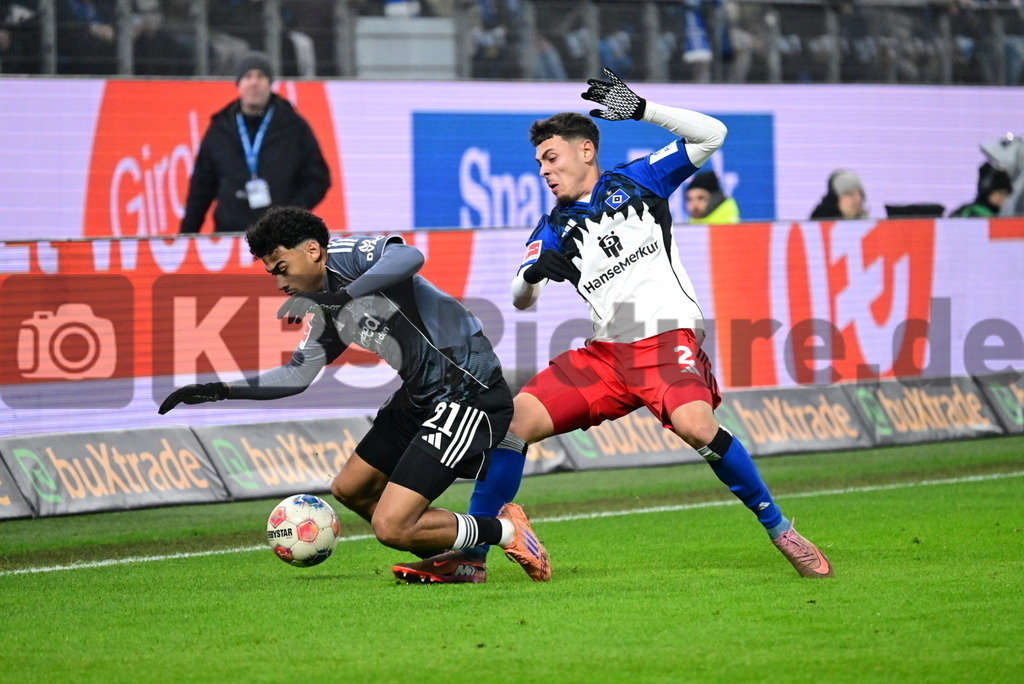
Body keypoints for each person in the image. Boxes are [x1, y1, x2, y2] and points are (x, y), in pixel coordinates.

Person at [394, 68, 834, 583]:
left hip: (665, 340)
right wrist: (531, 275)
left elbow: (712, 133)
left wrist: (644, 109)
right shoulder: (553, 226)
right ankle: (472, 557)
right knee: (511, 425)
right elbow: (521, 297)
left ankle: (781, 528)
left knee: (697, 428)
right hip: (604, 357)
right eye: (538, 163)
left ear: (586, 151)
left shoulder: (639, 180)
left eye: (551, 158)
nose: (544, 171)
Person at [158, 206, 550, 582]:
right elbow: (296, 375)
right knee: (350, 488)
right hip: (419, 396)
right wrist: (219, 390)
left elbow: (409, 255)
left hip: (464, 389)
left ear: (312, 251)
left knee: (391, 526)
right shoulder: (327, 311)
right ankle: (455, 562)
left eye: (282, 269)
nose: (280, 284)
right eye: (272, 275)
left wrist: (344, 297)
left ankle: (502, 531)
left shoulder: (345, 257)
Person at [179, 52, 330, 234]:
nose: (254, 83)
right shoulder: (221, 129)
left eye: (261, 76)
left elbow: (318, 178)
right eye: (248, 76)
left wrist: (292, 214)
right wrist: (187, 234)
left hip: (279, 236)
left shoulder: (293, 126)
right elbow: (201, 188)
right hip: (230, 236)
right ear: (238, 84)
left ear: (270, 83)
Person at [949, 162, 1013, 218]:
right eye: (1000, 193)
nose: (1003, 198)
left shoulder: (998, 214)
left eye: (1006, 194)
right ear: (987, 190)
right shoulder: (974, 213)